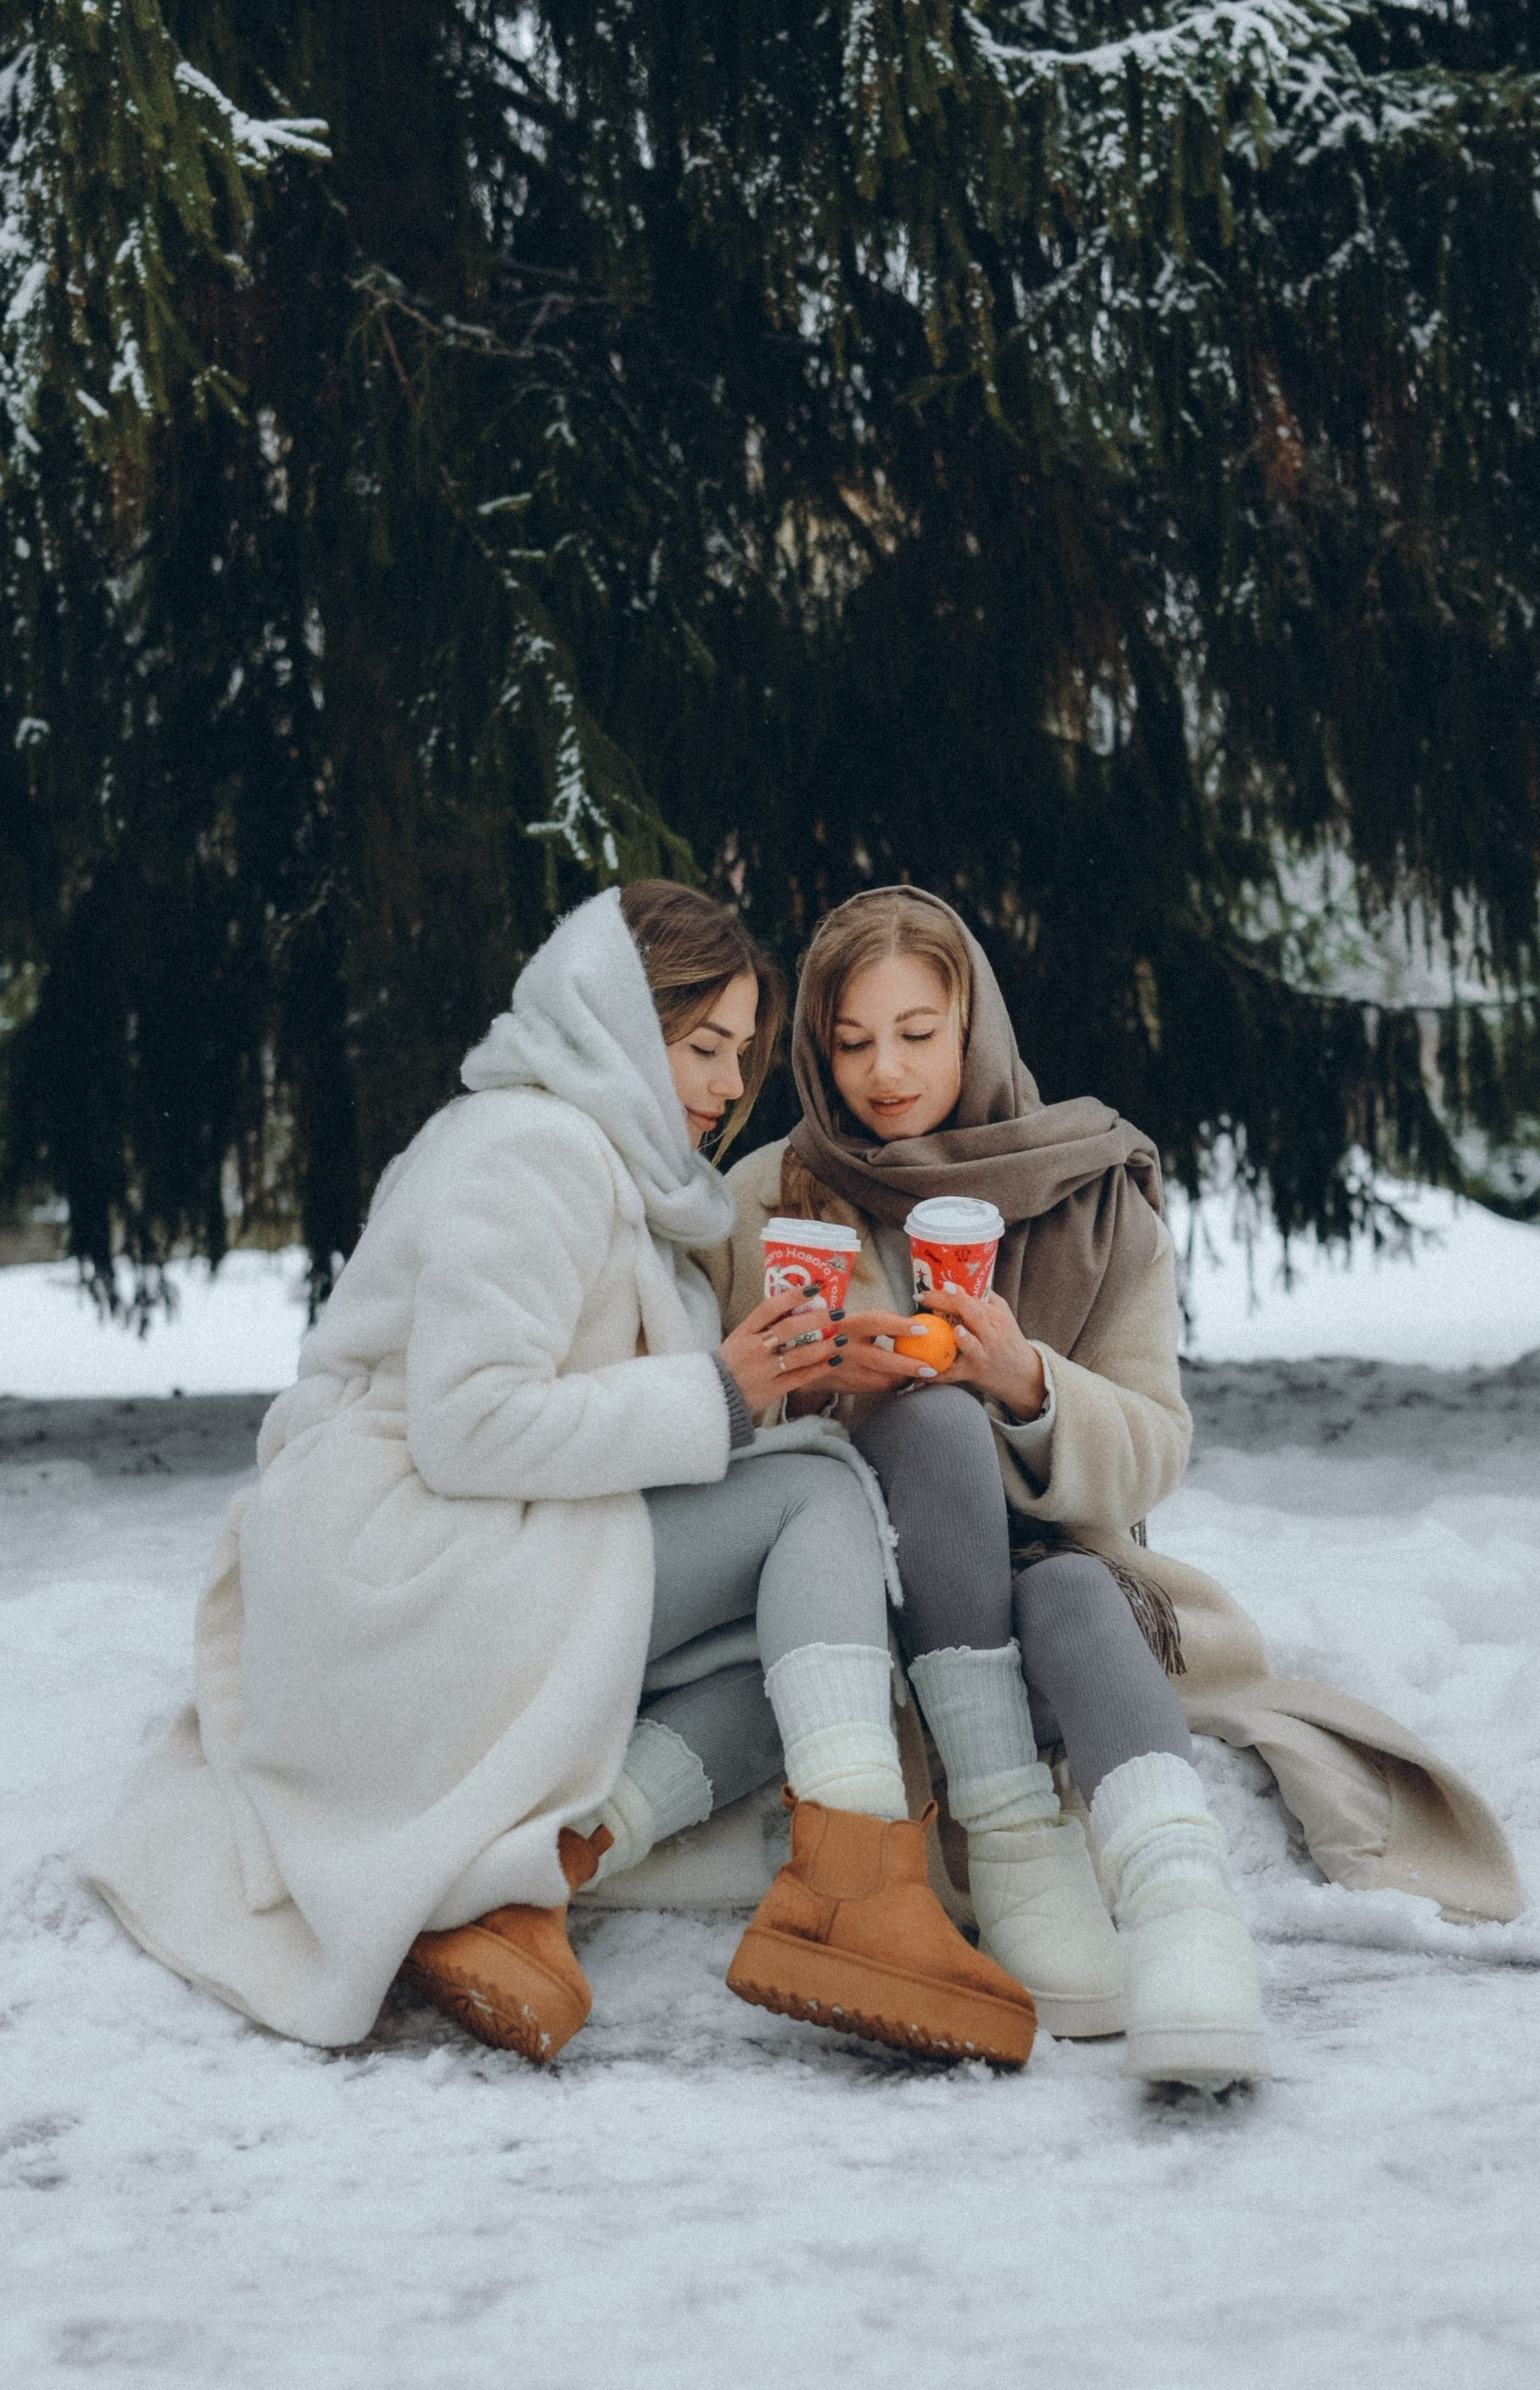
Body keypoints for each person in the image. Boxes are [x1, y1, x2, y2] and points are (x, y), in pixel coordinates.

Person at [85, 882, 1034, 2073]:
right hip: (399, 1557)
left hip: (476, 1547)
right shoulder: (531, 1148)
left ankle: (532, 1885)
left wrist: (777, 1384)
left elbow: (603, 1410)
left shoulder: (606, 1163)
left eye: (740, 1053)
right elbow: (470, 1425)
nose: (728, 1086)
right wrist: (722, 1393)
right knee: (822, 1499)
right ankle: (854, 1896)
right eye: (701, 1046)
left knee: (793, 1649)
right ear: (620, 1022)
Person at [706, 887, 1268, 2088]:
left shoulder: (1091, 1194)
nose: (885, 1073)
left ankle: (1189, 1926)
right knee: (929, 1413)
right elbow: (712, 1435)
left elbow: (1157, 1444)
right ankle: (1012, 1835)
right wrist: (809, 1393)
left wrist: (1029, 1383)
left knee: (1072, 1594)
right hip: (868, 1605)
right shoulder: (768, 1198)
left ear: (975, 1026)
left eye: (918, 1033)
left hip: (1047, 1591)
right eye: (851, 1042)